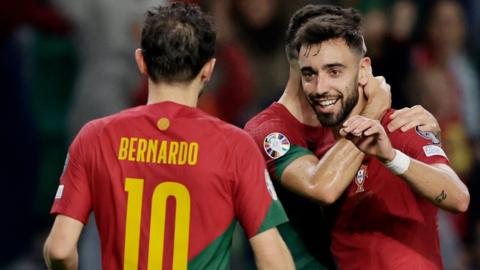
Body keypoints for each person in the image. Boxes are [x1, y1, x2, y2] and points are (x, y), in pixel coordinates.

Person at [43, 3, 294, 270]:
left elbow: (60, 249)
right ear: (208, 69)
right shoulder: (235, 146)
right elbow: (273, 259)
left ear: (141, 61)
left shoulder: (95, 137)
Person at [244, 4, 449, 269]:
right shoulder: (268, 129)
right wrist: (375, 108)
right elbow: (322, 187)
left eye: (338, 69)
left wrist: (429, 140)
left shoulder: (343, 119)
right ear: (300, 59)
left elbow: (450, 193)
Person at [293, 5, 470, 269]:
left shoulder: (403, 126)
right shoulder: (308, 149)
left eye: (334, 71)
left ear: (364, 70)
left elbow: (458, 198)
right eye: (310, 74)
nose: (320, 87)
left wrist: (392, 158)